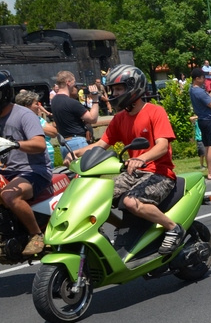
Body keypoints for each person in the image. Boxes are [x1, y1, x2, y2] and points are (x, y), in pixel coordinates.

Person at [63, 65, 184, 254]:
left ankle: (173, 228)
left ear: (134, 87)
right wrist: (75, 154)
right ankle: (122, 228)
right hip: (133, 174)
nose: (114, 93)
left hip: (160, 173)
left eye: (119, 89)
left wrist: (141, 158)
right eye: (113, 89)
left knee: (130, 201)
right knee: (95, 197)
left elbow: (162, 146)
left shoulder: (155, 112)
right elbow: (101, 145)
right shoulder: (119, 118)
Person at [0, 70, 52, 256]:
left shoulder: (24, 115)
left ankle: (36, 235)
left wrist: (14, 144)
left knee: (9, 195)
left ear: (1, 95)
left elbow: (40, 144)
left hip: (34, 171)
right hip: (7, 171)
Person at [50, 70, 100, 152]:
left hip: (64, 144)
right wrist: (95, 99)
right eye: (74, 83)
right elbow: (93, 119)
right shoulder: (72, 103)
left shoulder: (54, 101)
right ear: (68, 82)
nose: (75, 86)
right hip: (77, 142)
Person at [14, 89, 59, 165]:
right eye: (36, 104)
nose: (39, 106)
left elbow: (54, 132)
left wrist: (33, 128)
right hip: (36, 161)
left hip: (48, 160)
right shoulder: (17, 120)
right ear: (26, 106)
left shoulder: (38, 119)